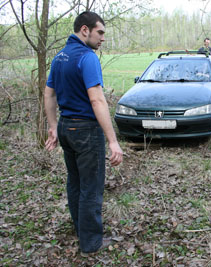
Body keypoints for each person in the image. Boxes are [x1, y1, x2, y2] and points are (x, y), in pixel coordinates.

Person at [44, 11, 123, 255]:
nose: (103, 39)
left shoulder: (59, 58)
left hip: (67, 127)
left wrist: (53, 126)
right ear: (85, 30)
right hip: (86, 130)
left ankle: (81, 230)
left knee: (75, 182)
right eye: (100, 32)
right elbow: (97, 100)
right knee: (91, 187)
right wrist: (113, 141)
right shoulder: (87, 58)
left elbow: (49, 94)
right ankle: (91, 244)